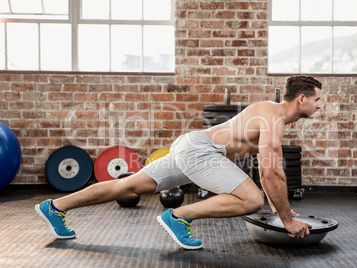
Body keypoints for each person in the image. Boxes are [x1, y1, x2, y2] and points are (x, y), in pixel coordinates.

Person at [36, 75, 322, 250]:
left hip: (192, 146)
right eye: (317, 100)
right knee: (250, 200)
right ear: (301, 99)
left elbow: (269, 170)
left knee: (127, 187)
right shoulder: (272, 118)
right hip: (201, 151)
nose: (319, 105)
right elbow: (271, 171)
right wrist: (285, 219)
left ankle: (54, 207)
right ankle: (178, 217)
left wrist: (279, 207)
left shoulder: (270, 112)